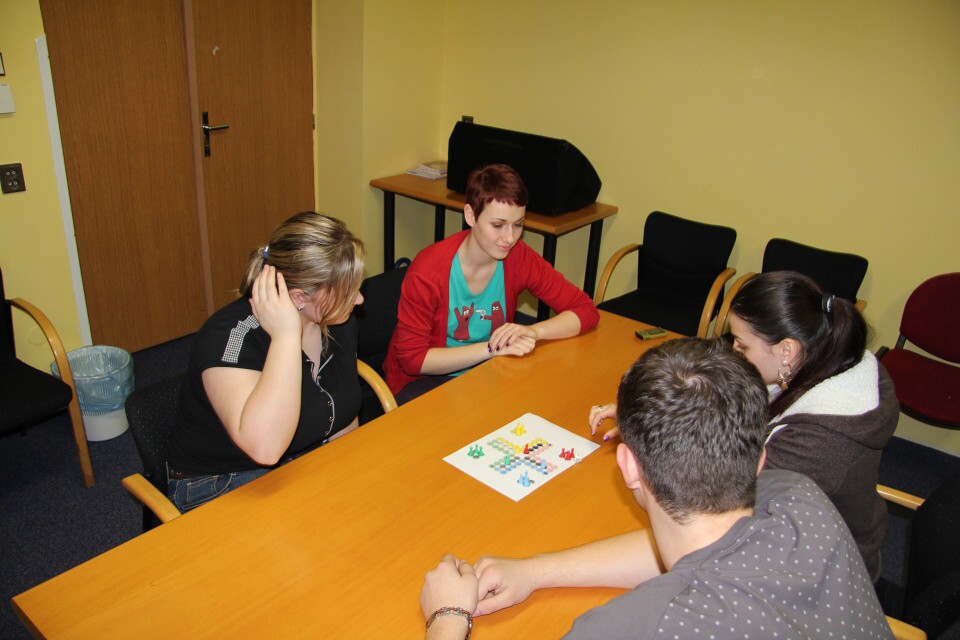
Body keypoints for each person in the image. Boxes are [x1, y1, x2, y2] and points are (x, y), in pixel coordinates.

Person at [421, 338, 893, 639]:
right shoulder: (799, 497)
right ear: (760, 459)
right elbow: (693, 546)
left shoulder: (632, 628)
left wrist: (447, 617)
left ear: (628, 466)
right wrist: (536, 570)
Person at [589, 271, 898, 582]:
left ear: (786, 350)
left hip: (824, 571)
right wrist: (651, 415)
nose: (734, 352)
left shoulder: (820, 442)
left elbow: (710, 521)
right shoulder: (822, 358)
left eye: (742, 346)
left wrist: (654, 434)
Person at [167, 211, 366, 512]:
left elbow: (344, 414)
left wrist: (352, 472)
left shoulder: (336, 320)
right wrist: (286, 337)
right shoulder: (229, 337)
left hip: (301, 462)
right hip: (222, 481)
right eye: (348, 291)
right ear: (298, 298)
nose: (360, 299)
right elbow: (265, 449)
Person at [384, 163, 599, 404]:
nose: (510, 238)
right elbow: (413, 360)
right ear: (470, 216)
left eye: (518, 224)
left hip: (489, 370)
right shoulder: (428, 270)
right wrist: (492, 348)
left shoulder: (518, 257)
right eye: (498, 225)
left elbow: (585, 310)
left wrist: (534, 331)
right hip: (425, 380)